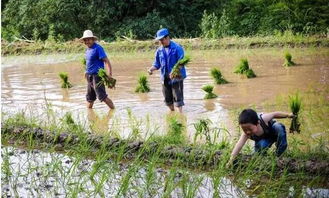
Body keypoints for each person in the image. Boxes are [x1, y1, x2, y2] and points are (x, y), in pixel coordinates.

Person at [227, 109, 294, 167]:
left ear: (257, 123)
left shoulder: (263, 119)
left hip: (274, 133)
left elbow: (275, 114)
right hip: (264, 140)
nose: (247, 132)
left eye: (250, 129)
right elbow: (238, 146)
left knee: (278, 127)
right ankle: (264, 158)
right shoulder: (246, 134)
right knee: (260, 151)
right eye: (244, 129)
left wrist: (288, 115)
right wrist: (230, 160)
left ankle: (278, 155)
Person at [148, 28, 187, 113]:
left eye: (162, 40)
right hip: (165, 77)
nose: (161, 42)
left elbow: (182, 62)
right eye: (159, 40)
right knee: (167, 98)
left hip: (177, 77)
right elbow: (157, 64)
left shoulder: (177, 48)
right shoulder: (159, 51)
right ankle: (172, 113)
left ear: (167, 37)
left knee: (178, 98)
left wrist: (174, 71)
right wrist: (151, 69)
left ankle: (180, 115)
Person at [80, 30, 115, 109]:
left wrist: (109, 74)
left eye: (89, 39)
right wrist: (86, 71)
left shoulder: (98, 48)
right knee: (90, 98)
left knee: (102, 97)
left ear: (93, 39)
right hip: (89, 76)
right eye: (85, 40)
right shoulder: (87, 50)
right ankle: (89, 115)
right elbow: (88, 62)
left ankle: (113, 110)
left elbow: (106, 61)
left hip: (97, 76)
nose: (87, 41)